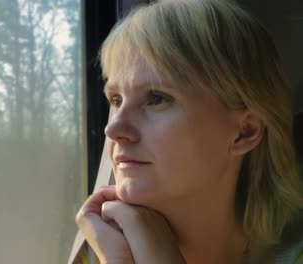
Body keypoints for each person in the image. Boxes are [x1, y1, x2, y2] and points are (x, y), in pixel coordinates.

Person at [74, 0, 303, 263]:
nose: (113, 129)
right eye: (116, 100)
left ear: (245, 132)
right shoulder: (102, 250)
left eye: (156, 98)